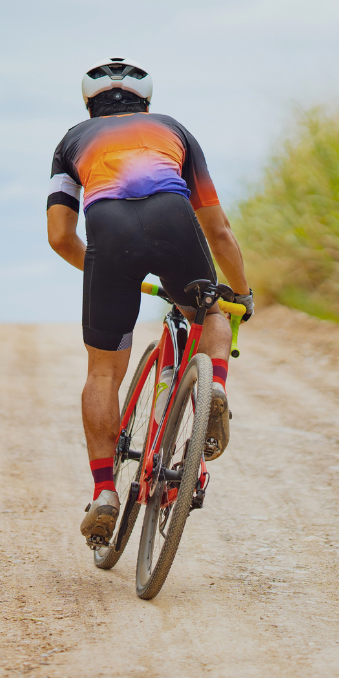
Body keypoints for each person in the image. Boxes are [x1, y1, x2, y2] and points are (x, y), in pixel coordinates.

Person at [46, 58, 252, 544]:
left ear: (88, 104)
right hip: (173, 221)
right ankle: (214, 386)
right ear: (147, 102)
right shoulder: (172, 131)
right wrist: (241, 291)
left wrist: (117, 273)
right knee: (211, 315)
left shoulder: (72, 142)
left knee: (101, 374)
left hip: (108, 232)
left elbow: (59, 237)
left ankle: (103, 492)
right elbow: (218, 229)